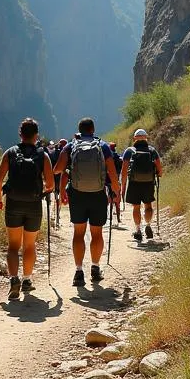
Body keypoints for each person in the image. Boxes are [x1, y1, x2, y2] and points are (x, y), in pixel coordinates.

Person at [0, 117, 55, 300]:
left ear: (20, 134)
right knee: (29, 245)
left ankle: (14, 280)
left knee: (13, 246)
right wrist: (42, 191)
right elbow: (51, 184)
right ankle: (27, 279)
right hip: (34, 205)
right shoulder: (42, 155)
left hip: (13, 204)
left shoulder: (10, 153)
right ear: (36, 136)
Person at [53, 118, 120, 287]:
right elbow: (112, 171)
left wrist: (65, 170)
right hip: (98, 194)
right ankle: (95, 269)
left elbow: (58, 169)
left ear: (79, 130)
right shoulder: (103, 146)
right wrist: (116, 191)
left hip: (77, 195)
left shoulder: (71, 146)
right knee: (97, 233)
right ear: (93, 129)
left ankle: (78, 272)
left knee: (78, 233)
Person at [120, 128, 164, 243]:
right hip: (148, 183)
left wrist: (122, 184)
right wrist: (159, 174)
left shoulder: (129, 151)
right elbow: (159, 167)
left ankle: (138, 230)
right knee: (148, 205)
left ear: (134, 138)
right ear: (146, 138)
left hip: (134, 183)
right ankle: (148, 225)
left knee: (136, 207)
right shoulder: (152, 151)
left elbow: (124, 170)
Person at [108, 142, 123, 222]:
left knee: (108, 200)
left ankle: (108, 217)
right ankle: (118, 218)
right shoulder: (119, 158)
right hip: (116, 180)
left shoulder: (107, 157)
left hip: (108, 180)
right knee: (117, 201)